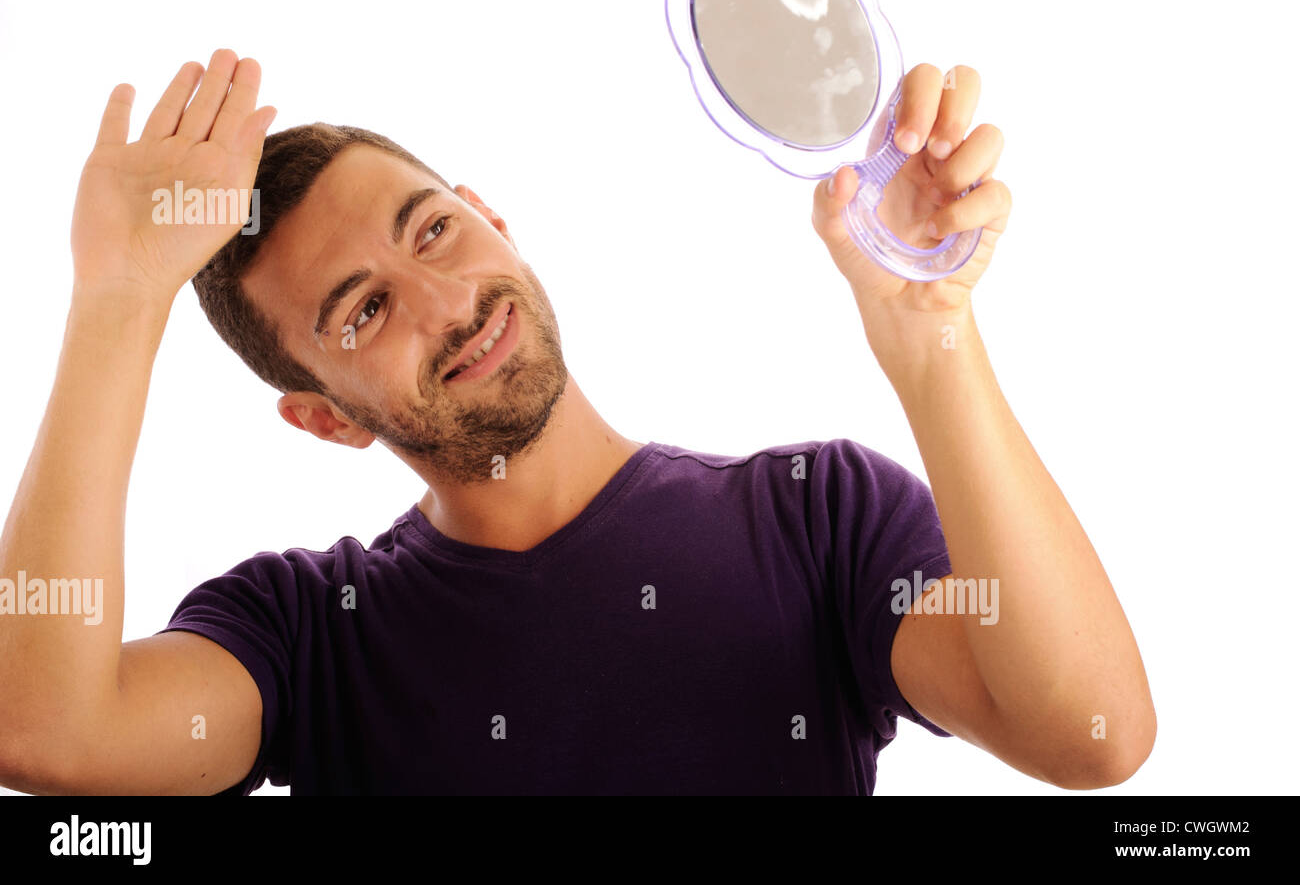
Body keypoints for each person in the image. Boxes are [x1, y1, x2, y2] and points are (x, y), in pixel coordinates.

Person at [0, 49, 1155, 795]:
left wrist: (929, 334)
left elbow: (1094, 732)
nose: (447, 303)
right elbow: (45, 732)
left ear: (492, 216)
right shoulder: (308, 635)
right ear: (321, 418)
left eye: (434, 230)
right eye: (363, 311)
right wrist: (118, 296)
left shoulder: (818, 518)